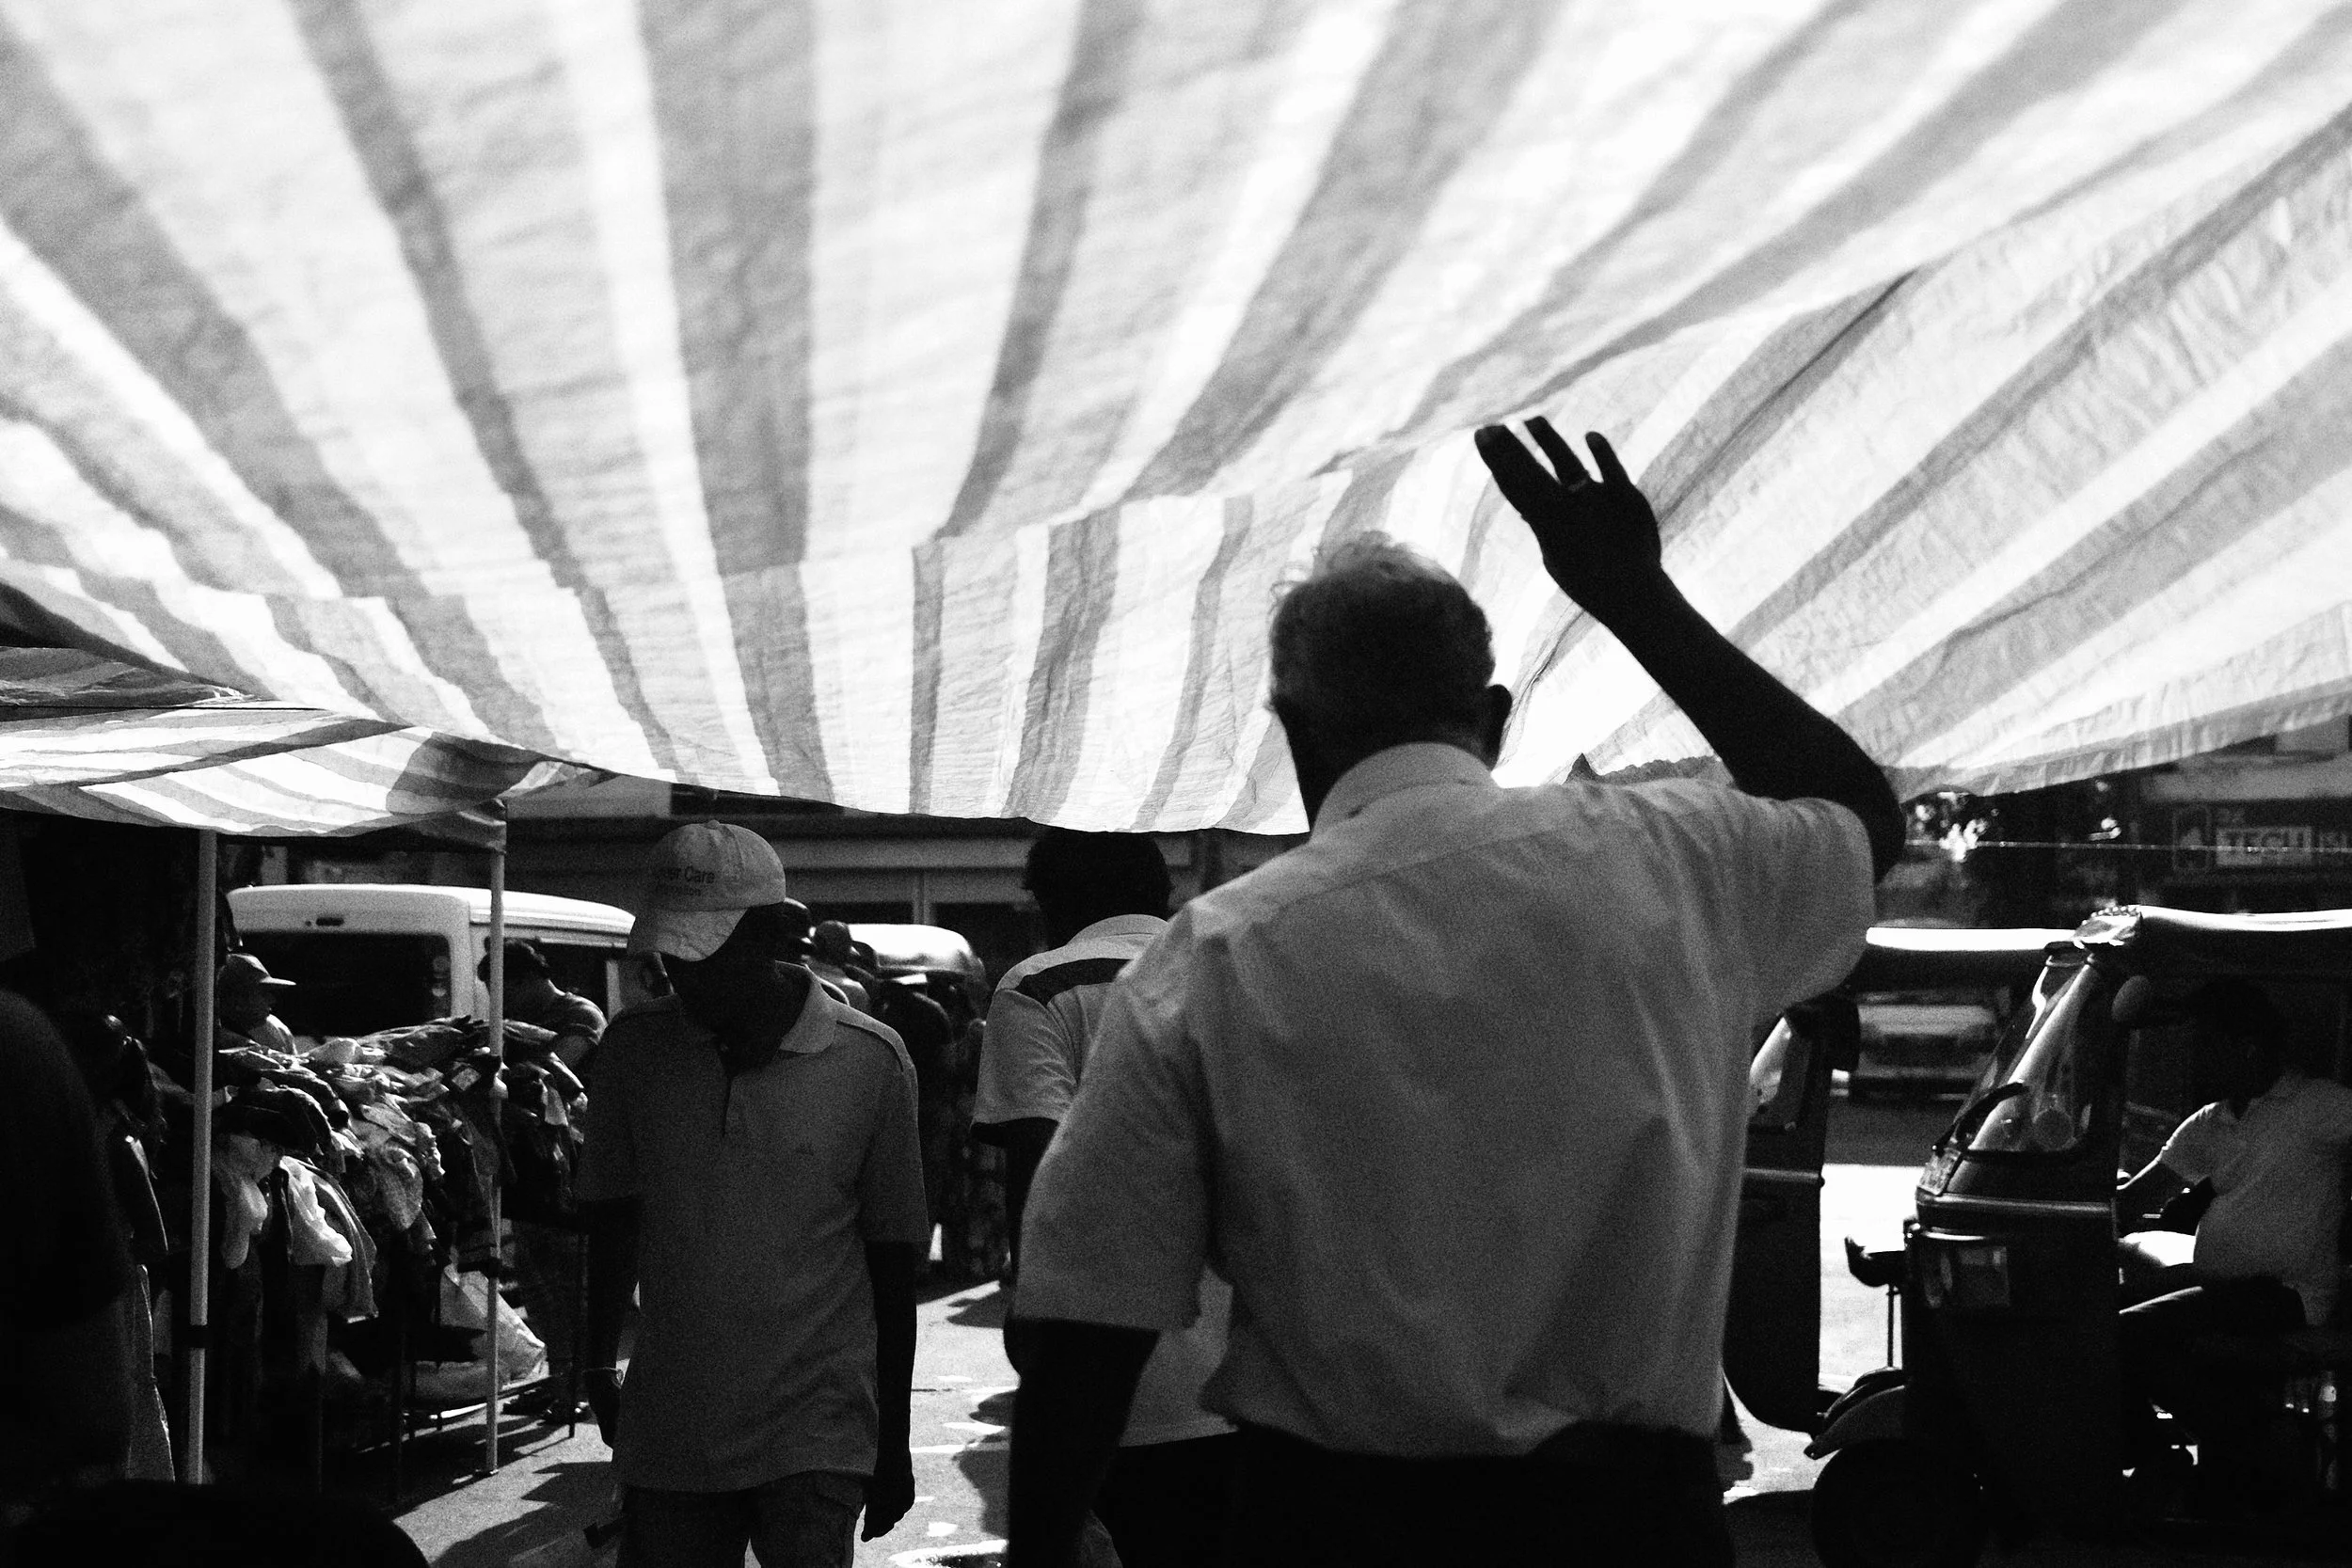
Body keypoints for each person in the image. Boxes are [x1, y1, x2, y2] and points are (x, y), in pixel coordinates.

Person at [1006, 420, 1902, 1568]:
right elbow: (1860, 822)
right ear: (1490, 716)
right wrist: (1630, 596)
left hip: (1330, 1532)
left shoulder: (1209, 958)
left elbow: (1089, 1317)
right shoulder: (1683, 860)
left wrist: (1038, 1545)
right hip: (1631, 1532)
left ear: (1292, 727)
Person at [577, 821, 927, 1567]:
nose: (685, 974)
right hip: (671, 1420)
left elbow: (895, 1265)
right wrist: (595, 1363)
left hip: (816, 1426)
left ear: (772, 937)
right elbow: (610, 1216)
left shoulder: (871, 1061)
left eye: (707, 952)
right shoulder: (633, 1051)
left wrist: (890, 1441)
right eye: (674, 953)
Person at [977, 831, 1235, 1568]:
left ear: (1053, 899)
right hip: (1256, 1367)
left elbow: (1041, 1161)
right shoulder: (1239, 963)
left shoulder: (1039, 986)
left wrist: (1034, 1317)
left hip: (1112, 1371)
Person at [2114, 978, 2352, 1502]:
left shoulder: (2318, 1106)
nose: (2198, 1064)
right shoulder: (2213, 1120)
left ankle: (2164, 1461)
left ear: (2246, 1048)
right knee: (2093, 1320)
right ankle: (2220, 1442)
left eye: (2208, 1048)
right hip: (2221, 1290)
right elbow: (2139, 1195)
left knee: (2126, 1334)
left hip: (2284, 1296)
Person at [480, 938, 607, 1073]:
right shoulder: (523, 1015)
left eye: (508, 996)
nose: (504, 1007)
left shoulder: (582, 1015)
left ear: (530, 978)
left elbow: (558, 1068)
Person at [215, 952, 298, 1054]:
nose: (272, 1000)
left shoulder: (275, 1029)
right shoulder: (205, 1038)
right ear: (237, 999)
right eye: (263, 993)